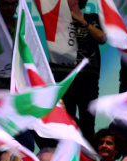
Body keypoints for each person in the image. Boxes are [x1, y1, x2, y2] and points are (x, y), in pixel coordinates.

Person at [51, 0, 106, 142]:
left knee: (88, 121)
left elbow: (101, 38)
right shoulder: (54, 18)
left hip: (87, 75)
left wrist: (81, 21)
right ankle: (69, 158)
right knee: (66, 120)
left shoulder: (92, 18)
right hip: (63, 75)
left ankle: (89, 160)